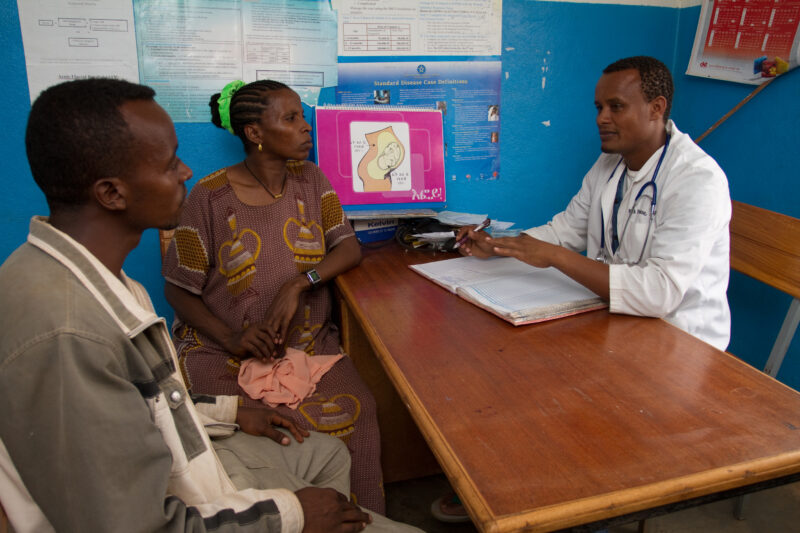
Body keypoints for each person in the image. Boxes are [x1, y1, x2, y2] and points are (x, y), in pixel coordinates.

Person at [0, 78, 420, 533]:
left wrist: (229, 411)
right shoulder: (67, 332)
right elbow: (133, 523)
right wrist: (293, 516)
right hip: (192, 487)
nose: (185, 171)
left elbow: (145, 404)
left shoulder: (96, 282)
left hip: (198, 455)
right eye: (168, 163)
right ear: (112, 193)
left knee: (331, 450)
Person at [161, 80, 385, 513]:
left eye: (302, 116)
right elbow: (177, 288)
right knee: (255, 432)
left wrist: (300, 282)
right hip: (219, 350)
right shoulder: (209, 197)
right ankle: (292, 518)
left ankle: (363, 522)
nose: (306, 128)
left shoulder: (311, 180)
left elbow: (349, 247)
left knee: (361, 412)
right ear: (255, 133)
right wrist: (230, 338)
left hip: (306, 345)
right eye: (291, 119)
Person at [458, 56, 731, 351]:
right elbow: (564, 231)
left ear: (656, 108)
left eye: (616, 107)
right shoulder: (610, 162)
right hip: (618, 321)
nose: (602, 118)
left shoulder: (697, 179)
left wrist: (556, 256)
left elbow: (660, 292)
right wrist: (497, 245)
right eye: (599, 108)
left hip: (681, 342)